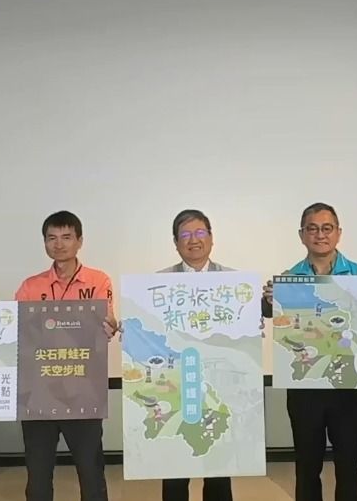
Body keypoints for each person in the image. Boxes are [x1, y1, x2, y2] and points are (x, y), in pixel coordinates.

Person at [262, 202, 357, 501]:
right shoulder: (288, 279)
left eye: (327, 228)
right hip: (304, 386)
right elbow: (271, 315)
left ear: (338, 233)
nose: (320, 235)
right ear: (302, 235)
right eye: (312, 228)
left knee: (348, 464)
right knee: (307, 466)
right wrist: (270, 300)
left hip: (347, 385)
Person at [14, 211, 119, 501]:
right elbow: (19, 332)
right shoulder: (30, 286)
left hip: (83, 391)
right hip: (39, 394)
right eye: (52, 238)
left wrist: (109, 326)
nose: (59, 244)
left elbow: (104, 325)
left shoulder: (98, 280)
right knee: (38, 477)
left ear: (79, 241)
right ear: (45, 243)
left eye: (66, 237)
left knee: (91, 473)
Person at [157, 209, 235, 501]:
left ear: (211, 238)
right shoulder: (157, 283)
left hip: (220, 389)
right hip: (177, 387)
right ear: (175, 243)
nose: (194, 240)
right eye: (185, 235)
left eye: (200, 233)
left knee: (218, 468)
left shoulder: (234, 282)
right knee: (175, 469)